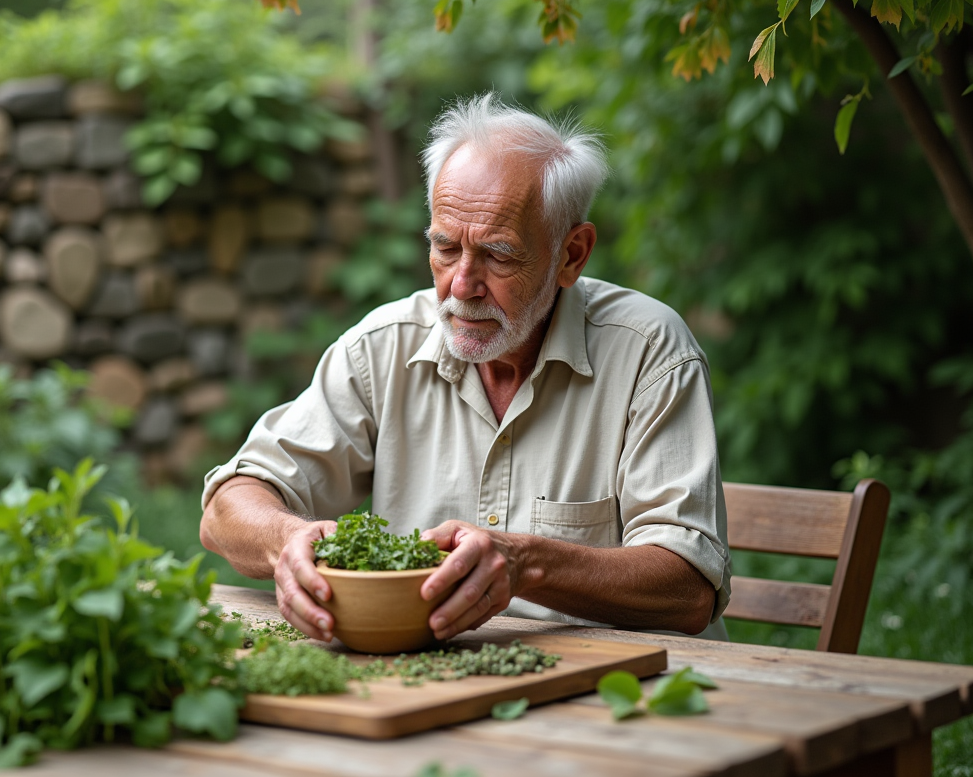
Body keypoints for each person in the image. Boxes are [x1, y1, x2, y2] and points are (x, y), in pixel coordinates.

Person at [200, 93, 731, 643]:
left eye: (499, 254)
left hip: (627, 695)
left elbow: (689, 589)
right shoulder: (383, 347)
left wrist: (524, 563)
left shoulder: (648, 350)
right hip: (437, 689)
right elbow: (228, 507)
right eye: (445, 247)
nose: (461, 285)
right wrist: (286, 539)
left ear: (571, 254)